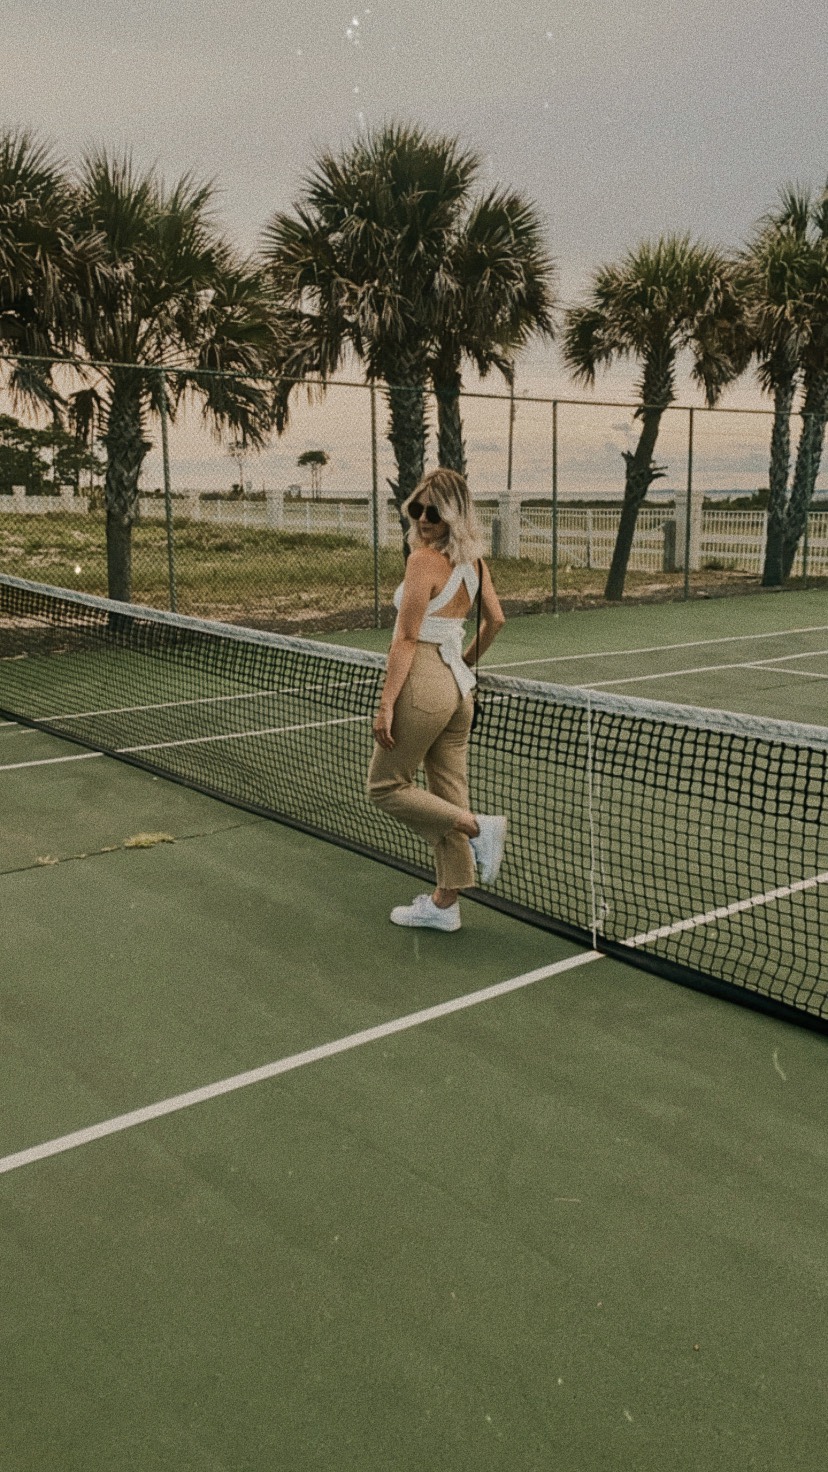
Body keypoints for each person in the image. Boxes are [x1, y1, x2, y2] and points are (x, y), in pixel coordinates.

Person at [367, 467, 507, 932]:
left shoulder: (422, 561)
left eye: (434, 513)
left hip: (424, 680)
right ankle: (445, 905)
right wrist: (462, 664)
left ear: (453, 516)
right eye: (417, 509)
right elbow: (495, 621)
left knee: (385, 786)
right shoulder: (475, 564)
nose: (423, 520)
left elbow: (406, 638)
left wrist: (386, 703)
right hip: (457, 688)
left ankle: (478, 827)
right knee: (448, 792)